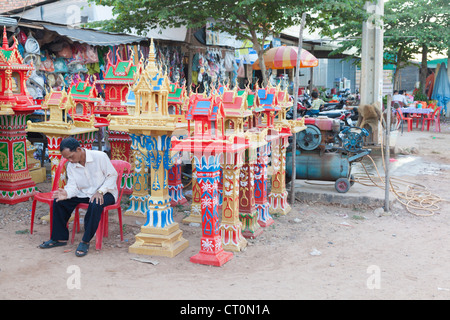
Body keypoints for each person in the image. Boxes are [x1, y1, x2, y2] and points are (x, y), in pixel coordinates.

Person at [39, 137, 118, 257]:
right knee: (59, 202)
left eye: (71, 156)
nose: (70, 160)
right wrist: (66, 193)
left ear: (79, 149)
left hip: (107, 192)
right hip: (84, 193)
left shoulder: (100, 157)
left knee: (96, 203)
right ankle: (59, 239)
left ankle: (85, 241)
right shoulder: (71, 166)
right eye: (67, 158)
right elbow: (73, 186)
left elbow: (112, 176)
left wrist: (101, 191)